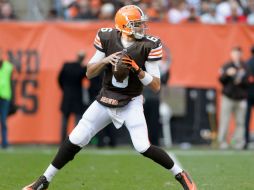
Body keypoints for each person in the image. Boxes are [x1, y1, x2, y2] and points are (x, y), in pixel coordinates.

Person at [22, 5, 196, 190]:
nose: (141, 28)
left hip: (131, 101)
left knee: (142, 146)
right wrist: (106, 60)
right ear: (123, 26)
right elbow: (89, 72)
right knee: (75, 138)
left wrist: (137, 69)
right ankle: (44, 181)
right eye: (136, 24)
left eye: (141, 24)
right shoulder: (107, 37)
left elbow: (155, 85)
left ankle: (181, 175)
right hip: (105, 98)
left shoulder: (149, 44)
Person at [217, 46, 248, 149]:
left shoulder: (244, 66)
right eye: (234, 53)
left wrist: (241, 80)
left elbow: (248, 81)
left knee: (240, 122)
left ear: (241, 54)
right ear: (231, 54)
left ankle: (239, 142)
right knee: (225, 120)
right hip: (228, 97)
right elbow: (221, 80)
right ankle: (223, 142)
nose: (236, 55)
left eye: (238, 53)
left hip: (240, 98)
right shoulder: (227, 66)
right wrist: (227, 74)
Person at [58, 50, 87, 143]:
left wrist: (65, 89)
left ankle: (62, 140)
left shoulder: (66, 66)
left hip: (66, 96)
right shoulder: (82, 69)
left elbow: (59, 79)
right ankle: (75, 140)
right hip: (77, 97)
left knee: (65, 119)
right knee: (77, 120)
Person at [0, 48, 13, 149]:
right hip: (5, 96)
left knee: (3, 121)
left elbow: (11, 81)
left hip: (5, 96)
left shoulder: (8, 66)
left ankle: (5, 143)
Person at [244, 45, 254, 149]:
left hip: (248, 94)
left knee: (246, 119)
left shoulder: (247, 63)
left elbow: (244, 79)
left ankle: (246, 141)